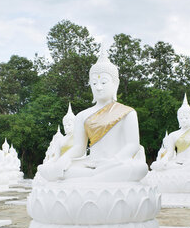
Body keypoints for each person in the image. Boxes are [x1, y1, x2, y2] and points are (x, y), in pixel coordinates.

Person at [37, 50, 147, 182]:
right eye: (94, 83)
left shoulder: (128, 112)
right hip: (91, 164)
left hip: (116, 164)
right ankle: (96, 178)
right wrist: (64, 159)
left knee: (140, 168)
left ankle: (87, 179)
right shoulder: (82, 115)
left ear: (115, 84)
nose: (99, 87)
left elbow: (132, 146)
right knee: (48, 169)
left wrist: (113, 161)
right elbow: (79, 148)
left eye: (104, 83)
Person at [150, 95, 190, 172]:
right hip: (176, 163)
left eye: (186, 118)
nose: (184, 120)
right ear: (178, 119)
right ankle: (181, 169)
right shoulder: (173, 135)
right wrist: (163, 160)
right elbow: (170, 152)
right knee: (156, 165)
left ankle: (181, 170)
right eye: (181, 118)